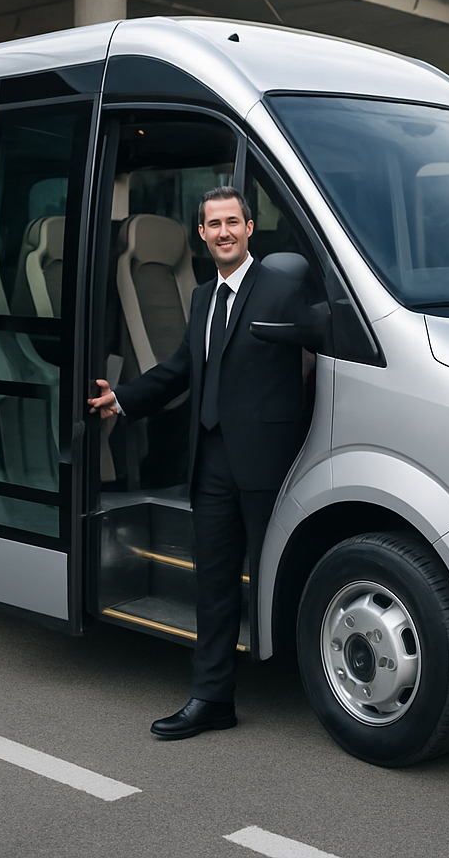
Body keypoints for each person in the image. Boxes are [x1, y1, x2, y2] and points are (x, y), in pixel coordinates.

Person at [88, 185, 309, 739]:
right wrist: (125, 398)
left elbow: (320, 348)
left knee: (285, 578)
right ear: (202, 234)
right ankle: (212, 699)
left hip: (268, 463)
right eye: (214, 224)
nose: (224, 232)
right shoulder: (203, 297)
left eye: (233, 222)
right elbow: (182, 367)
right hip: (210, 461)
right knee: (213, 585)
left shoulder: (282, 288)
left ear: (250, 228)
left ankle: (319, 693)